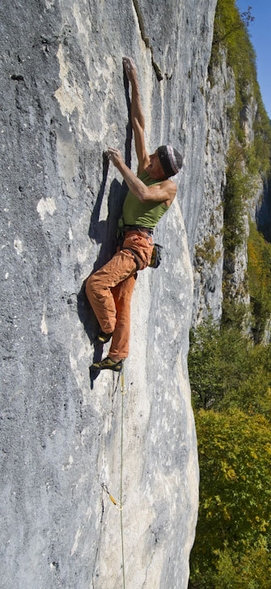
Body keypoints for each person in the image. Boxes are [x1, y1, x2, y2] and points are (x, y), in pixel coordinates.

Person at [86, 56, 183, 372]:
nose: (149, 155)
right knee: (124, 300)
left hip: (137, 246)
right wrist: (135, 81)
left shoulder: (166, 187)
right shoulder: (147, 169)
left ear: (161, 168)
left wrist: (118, 165)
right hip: (128, 242)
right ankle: (117, 356)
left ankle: (107, 327)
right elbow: (138, 122)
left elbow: (142, 194)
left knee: (98, 285)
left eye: (153, 157)